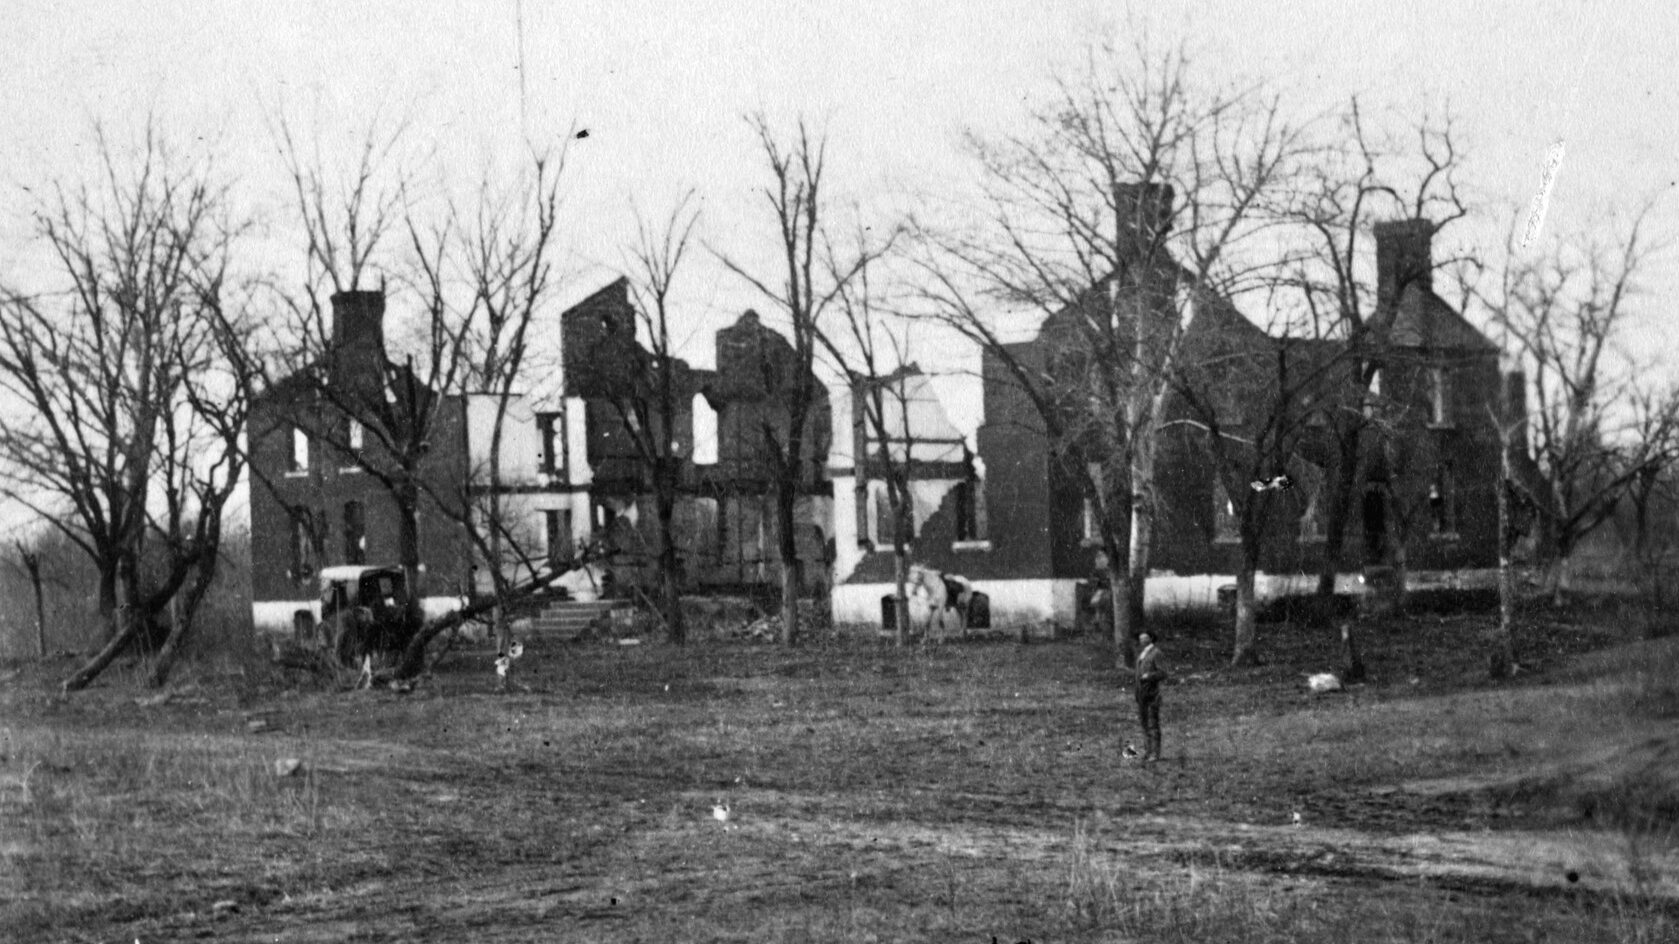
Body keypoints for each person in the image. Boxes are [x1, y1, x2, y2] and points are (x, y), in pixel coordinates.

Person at [1134, 631, 1169, 762]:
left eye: (1145, 637)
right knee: (1144, 724)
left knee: (1153, 724)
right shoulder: (1142, 654)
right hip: (1141, 694)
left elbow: (1163, 672)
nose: (1143, 640)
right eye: (1141, 638)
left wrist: (1149, 676)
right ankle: (1148, 751)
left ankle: (1155, 753)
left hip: (1152, 694)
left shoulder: (1156, 653)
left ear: (1151, 638)